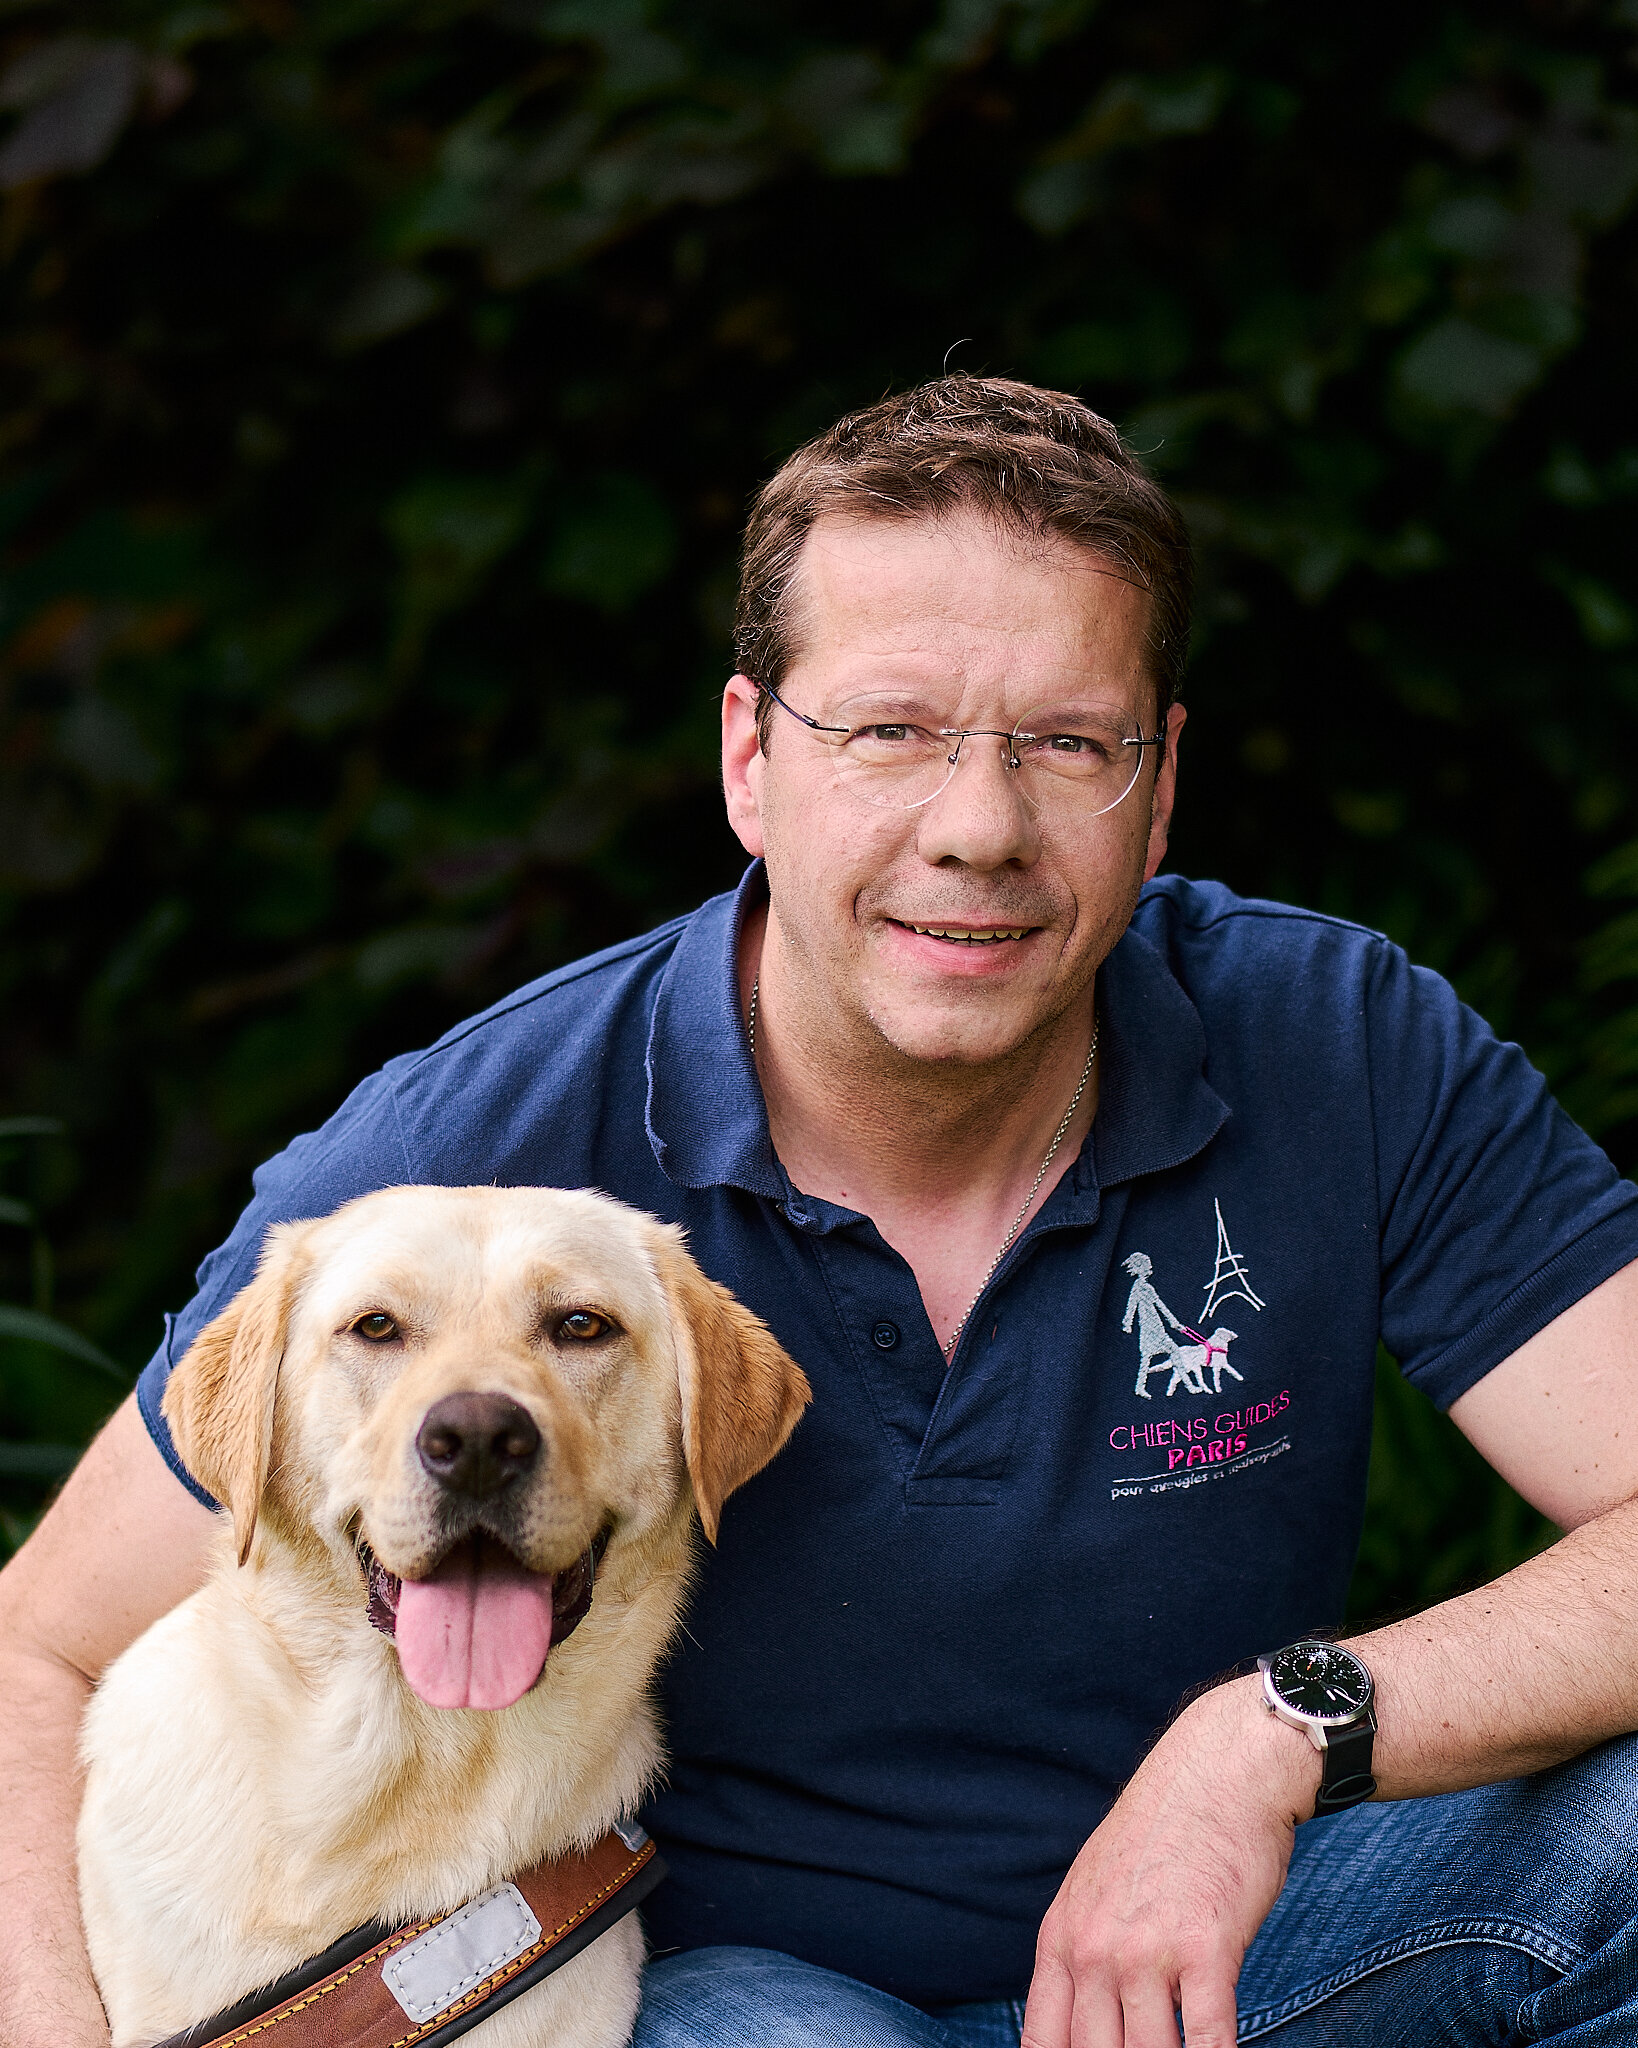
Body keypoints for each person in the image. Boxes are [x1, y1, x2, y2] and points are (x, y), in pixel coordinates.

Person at [4, 376, 1638, 2048]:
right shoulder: (475, 1158)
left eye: (1066, 744)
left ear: (1156, 792)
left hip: (1238, 1960)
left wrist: (1272, 1737)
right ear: (748, 761)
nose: (977, 827)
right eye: (888, 733)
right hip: (739, 1994)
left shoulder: (1337, 1041)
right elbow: (34, 1654)